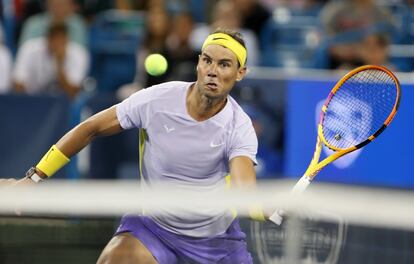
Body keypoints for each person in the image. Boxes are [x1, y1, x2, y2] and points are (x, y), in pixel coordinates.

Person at [4, 28, 263, 263]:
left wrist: (264, 208)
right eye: (207, 60)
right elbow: (90, 128)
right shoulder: (157, 100)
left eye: (224, 64)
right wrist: (34, 178)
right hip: (153, 229)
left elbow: (243, 188)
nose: (213, 71)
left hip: (216, 242)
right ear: (198, 62)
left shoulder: (238, 126)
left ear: (240, 73)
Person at [13, 22, 89, 99]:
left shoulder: (79, 53)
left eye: (61, 39)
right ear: (47, 38)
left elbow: (72, 92)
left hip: (63, 103)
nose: (57, 43)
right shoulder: (29, 48)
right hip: (32, 100)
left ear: (67, 39)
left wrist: (59, 64)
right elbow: (17, 84)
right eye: (54, 38)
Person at [19, 0, 87, 48]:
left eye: (63, 4)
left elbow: (81, 54)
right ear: (47, 5)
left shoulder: (78, 25)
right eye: (56, 4)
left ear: (71, 6)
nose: (59, 8)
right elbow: (24, 52)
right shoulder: (32, 24)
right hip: (37, 66)